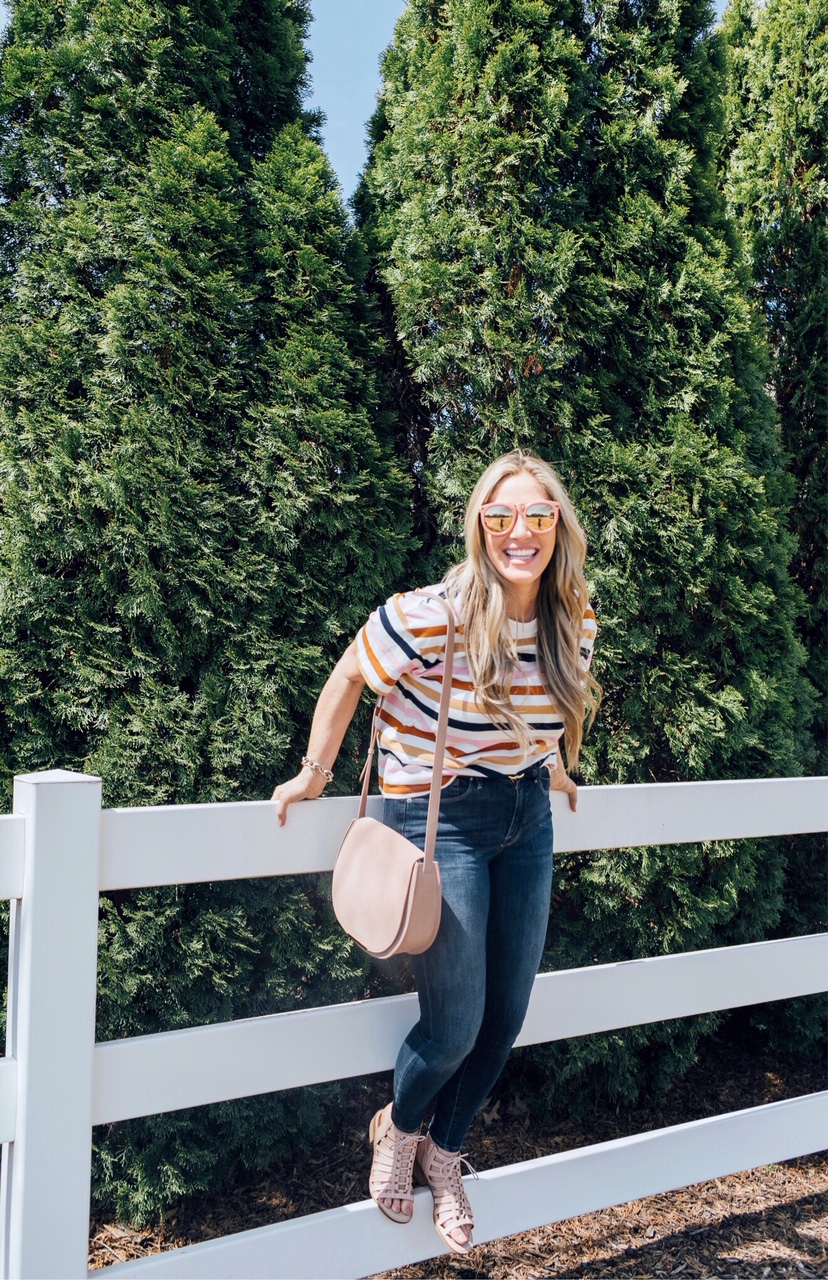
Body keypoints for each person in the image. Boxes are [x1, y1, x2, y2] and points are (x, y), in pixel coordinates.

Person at [273, 450, 599, 1255]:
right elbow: (351, 672)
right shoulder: (434, 610)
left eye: (536, 516)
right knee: (454, 1023)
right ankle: (399, 1126)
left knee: (506, 1017)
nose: (517, 533)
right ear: (479, 525)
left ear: (560, 527)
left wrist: (552, 762)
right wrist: (314, 774)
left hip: (526, 817)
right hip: (438, 816)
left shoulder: (573, 614)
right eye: (499, 516)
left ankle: (445, 1156)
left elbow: (550, 700)